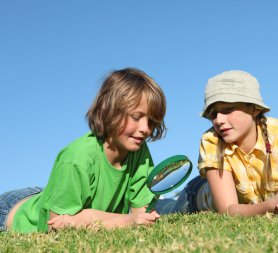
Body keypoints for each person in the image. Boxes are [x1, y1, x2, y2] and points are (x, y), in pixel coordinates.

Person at [0, 67, 166, 233]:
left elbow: (141, 217)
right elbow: (57, 228)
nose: (145, 129)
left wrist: (85, 218)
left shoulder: (138, 151)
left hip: (45, 196)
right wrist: (124, 220)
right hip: (11, 210)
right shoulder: (77, 158)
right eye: (136, 117)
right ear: (110, 111)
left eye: (151, 121)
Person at [156, 70, 278, 216]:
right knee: (168, 211)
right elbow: (228, 210)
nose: (218, 120)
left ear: (255, 109)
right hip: (195, 199)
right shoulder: (211, 140)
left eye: (227, 110)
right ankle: (155, 203)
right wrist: (273, 205)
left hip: (244, 198)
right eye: (213, 114)